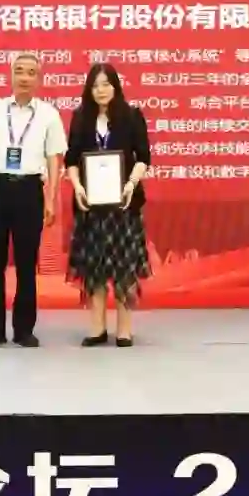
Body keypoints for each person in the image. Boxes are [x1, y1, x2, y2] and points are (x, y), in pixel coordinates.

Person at [0, 53, 67, 348]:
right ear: (11, 76)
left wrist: (50, 199)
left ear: (39, 79)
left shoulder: (48, 114)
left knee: (26, 264)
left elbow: (54, 158)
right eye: (19, 71)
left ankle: (24, 329)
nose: (24, 77)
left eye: (31, 72)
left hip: (30, 191)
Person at [64, 63, 152, 347]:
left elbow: (143, 157)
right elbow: (71, 159)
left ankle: (124, 329)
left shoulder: (131, 116)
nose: (100, 90)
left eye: (106, 84)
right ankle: (97, 328)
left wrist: (131, 184)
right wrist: (77, 186)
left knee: (124, 266)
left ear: (115, 86)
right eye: (95, 85)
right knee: (95, 267)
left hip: (123, 204)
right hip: (91, 205)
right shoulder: (81, 118)